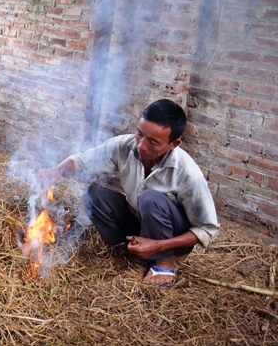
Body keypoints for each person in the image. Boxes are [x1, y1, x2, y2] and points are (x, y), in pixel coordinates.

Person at [36, 99, 219, 286]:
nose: (141, 146)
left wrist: (159, 245)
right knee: (93, 194)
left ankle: (165, 260)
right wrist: (56, 171)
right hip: (139, 220)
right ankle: (127, 248)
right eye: (140, 134)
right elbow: (84, 161)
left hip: (171, 235)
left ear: (174, 143)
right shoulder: (125, 145)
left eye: (153, 142)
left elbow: (207, 228)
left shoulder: (187, 173)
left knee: (150, 198)